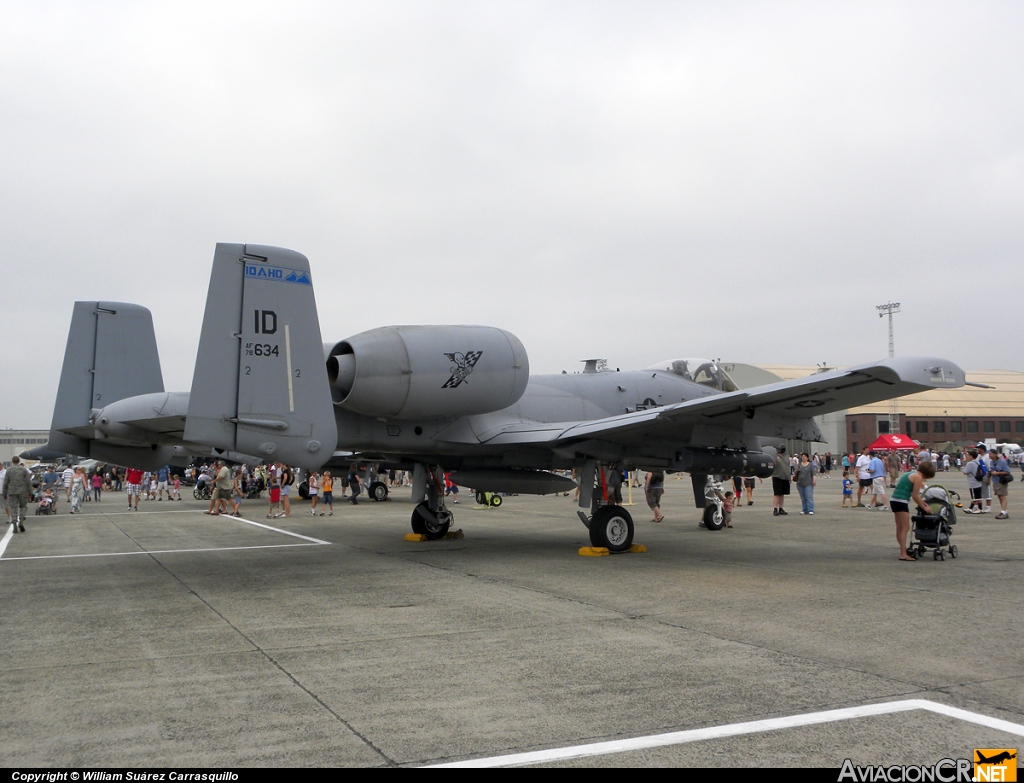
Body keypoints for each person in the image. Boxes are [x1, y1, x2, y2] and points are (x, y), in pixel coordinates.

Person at [890, 460, 936, 561]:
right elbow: (915, 496)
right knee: (905, 528)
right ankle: (903, 553)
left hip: (894, 500)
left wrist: (924, 504)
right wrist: (925, 508)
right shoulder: (918, 477)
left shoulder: (911, 474)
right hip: (901, 501)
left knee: (900, 527)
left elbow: (916, 496)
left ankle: (903, 550)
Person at [3, 456, 32, 532]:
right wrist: (30, 492)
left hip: (12, 491)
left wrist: (4, 493)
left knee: (13, 508)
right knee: (23, 506)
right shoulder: (23, 470)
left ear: (12, 462)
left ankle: (14, 522)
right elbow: (28, 482)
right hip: (22, 491)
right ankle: (21, 519)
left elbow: (5, 483)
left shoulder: (9, 470)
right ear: (19, 461)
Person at [988, 448, 1012, 519]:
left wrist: (997, 473)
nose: (989, 455)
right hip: (995, 481)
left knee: (1002, 496)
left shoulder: (1002, 462)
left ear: (995, 454)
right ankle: (1004, 511)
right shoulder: (992, 462)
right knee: (999, 496)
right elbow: (991, 470)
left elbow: (1007, 472)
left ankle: (1003, 512)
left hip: (1001, 481)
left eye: (990, 454)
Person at [771, 446, 791, 516]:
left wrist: (789, 477)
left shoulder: (786, 458)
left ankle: (781, 508)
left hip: (785, 477)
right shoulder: (775, 457)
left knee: (782, 494)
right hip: (777, 477)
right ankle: (775, 509)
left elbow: (788, 468)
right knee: (777, 494)